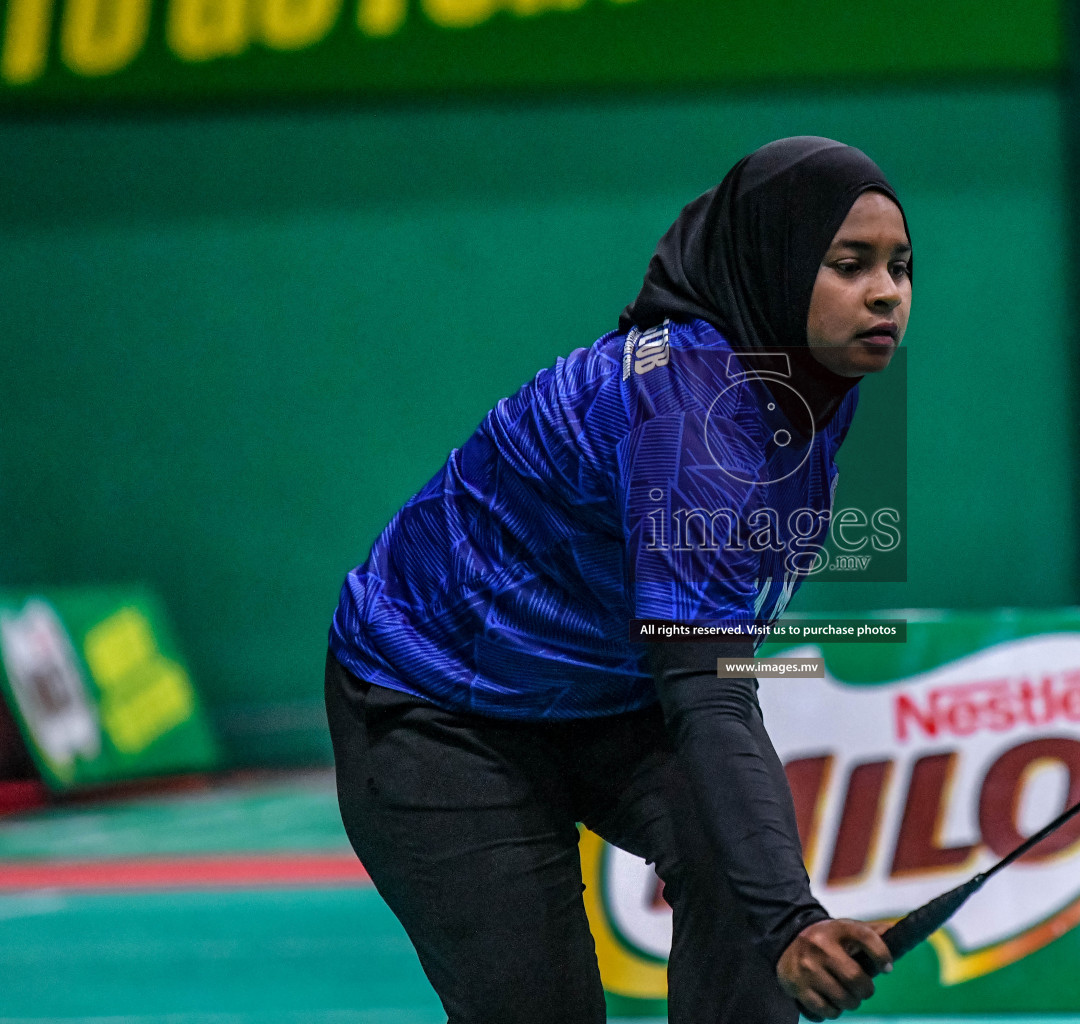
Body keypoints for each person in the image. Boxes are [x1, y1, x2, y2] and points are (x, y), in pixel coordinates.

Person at [325, 136, 912, 1024]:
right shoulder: (692, 411)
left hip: (605, 693)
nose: (885, 293)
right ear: (778, 264)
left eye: (900, 267)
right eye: (849, 264)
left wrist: (778, 918)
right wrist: (794, 922)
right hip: (438, 709)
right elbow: (709, 688)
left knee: (740, 877)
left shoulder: (812, 378)